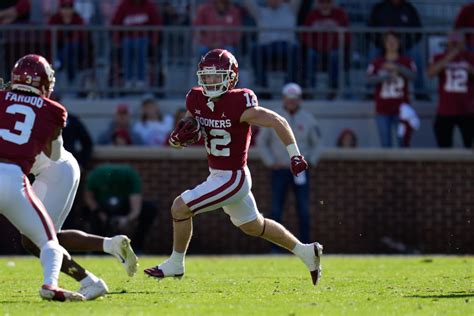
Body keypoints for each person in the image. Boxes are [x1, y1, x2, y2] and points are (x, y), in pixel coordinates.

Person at [144, 49, 323, 286]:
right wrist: (179, 136)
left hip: (232, 178)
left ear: (231, 77)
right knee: (254, 226)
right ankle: (306, 252)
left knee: (180, 207)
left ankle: (176, 264)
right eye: (206, 76)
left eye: (217, 75)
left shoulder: (240, 102)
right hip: (218, 175)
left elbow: (278, 121)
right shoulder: (196, 98)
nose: (210, 81)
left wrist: (295, 155)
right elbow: (189, 122)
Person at [0, 54, 83, 301]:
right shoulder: (53, 110)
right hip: (14, 178)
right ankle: (51, 284)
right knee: (48, 241)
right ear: (45, 82)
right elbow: (55, 155)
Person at [257, 83, 320, 245]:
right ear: (284, 99)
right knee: (276, 209)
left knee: (304, 210)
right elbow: (261, 141)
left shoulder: (308, 119)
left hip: (300, 172)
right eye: (288, 98)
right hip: (280, 170)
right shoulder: (274, 117)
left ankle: (305, 246)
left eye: (295, 99)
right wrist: (271, 162)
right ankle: (275, 248)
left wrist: (310, 162)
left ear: (300, 100)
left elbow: (317, 143)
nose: (291, 102)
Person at [84, 164, 157, 252]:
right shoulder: (96, 175)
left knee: (149, 209)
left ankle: (136, 247)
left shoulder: (131, 176)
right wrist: (101, 214)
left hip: (124, 209)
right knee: (88, 212)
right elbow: (88, 198)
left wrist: (127, 219)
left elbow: (136, 209)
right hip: (103, 209)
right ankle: (97, 249)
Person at [367, 0, 427, 99]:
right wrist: (382, 43)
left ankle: (420, 92)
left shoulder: (409, 8)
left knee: (416, 55)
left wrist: (404, 43)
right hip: (382, 46)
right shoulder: (379, 8)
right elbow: (369, 30)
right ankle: (369, 92)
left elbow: (418, 31)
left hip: (405, 46)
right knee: (373, 53)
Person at [366, 31, 416, 147]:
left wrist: (398, 68)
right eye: (389, 41)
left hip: (402, 110)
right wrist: (385, 76)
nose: (392, 43)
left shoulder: (406, 61)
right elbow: (368, 79)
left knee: (403, 143)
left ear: (399, 43)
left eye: (394, 40)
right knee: (385, 145)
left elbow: (414, 76)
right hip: (382, 109)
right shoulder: (377, 62)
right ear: (384, 43)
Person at [244, 0, 302, 97]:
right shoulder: (260, 12)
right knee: (255, 49)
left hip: (286, 47)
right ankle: (263, 88)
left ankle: (289, 88)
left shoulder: (291, 9)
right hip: (267, 48)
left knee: (294, 48)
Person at [427, 32, 474, 148]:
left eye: (458, 40)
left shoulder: (470, 57)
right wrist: (449, 57)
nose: (455, 43)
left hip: (467, 109)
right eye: (452, 40)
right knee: (444, 145)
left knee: (469, 146)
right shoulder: (438, 57)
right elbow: (430, 73)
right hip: (445, 110)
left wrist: (470, 69)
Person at [301, 0, 350, 98]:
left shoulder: (340, 14)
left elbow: (347, 36)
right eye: (322, 2)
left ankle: (333, 90)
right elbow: (305, 35)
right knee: (311, 55)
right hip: (316, 49)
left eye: (327, 2)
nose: (324, 4)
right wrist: (316, 46)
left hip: (334, 49)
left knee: (335, 56)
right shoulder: (312, 15)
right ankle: (310, 89)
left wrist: (333, 45)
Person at [111, 0, 162, 89]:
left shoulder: (149, 6)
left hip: (144, 38)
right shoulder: (123, 5)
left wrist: (154, 41)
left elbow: (157, 24)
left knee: (140, 45)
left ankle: (140, 79)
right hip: (127, 38)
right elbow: (115, 23)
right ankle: (128, 79)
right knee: (127, 45)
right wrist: (117, 41)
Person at [47, 0, 88, 85]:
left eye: (69, 8)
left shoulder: (78, 19)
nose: (66, 11)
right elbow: (49, 37)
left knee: (71, 49)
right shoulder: (54, 19)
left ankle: (60, 64)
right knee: (65, 55)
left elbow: (80, 36)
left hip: (75, 51)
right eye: (64, 8)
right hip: (58, 49)